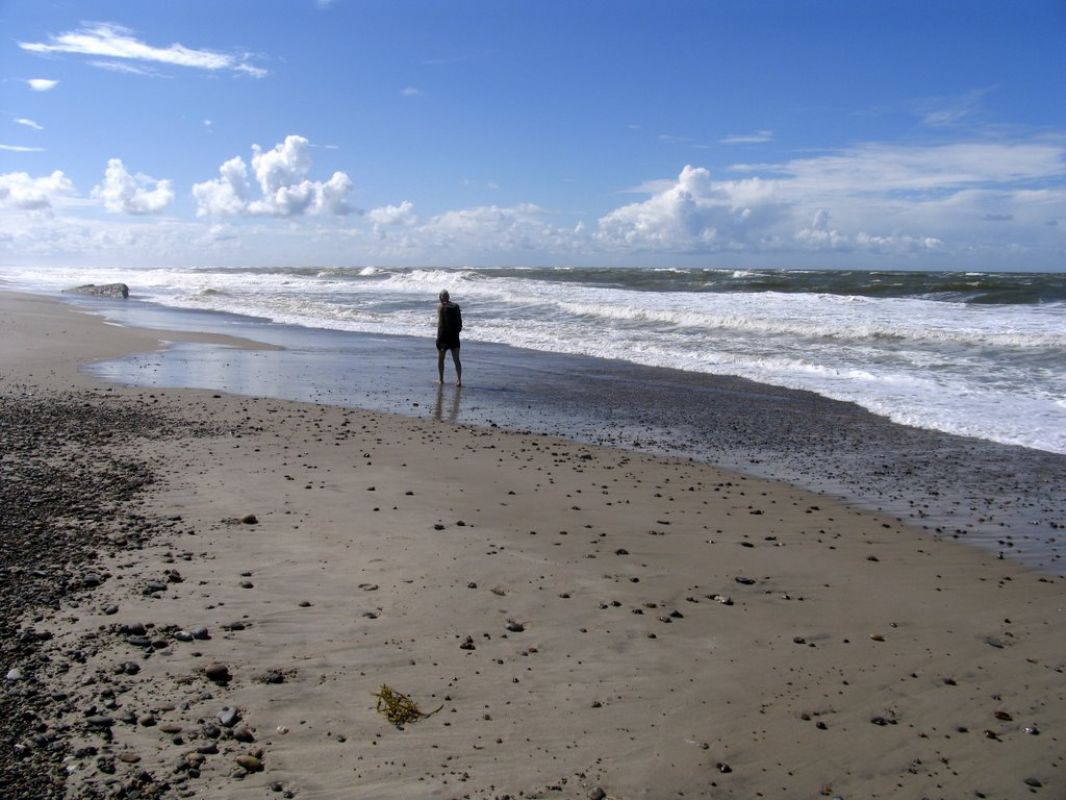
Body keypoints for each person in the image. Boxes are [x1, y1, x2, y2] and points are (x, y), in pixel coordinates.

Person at [436, 289, 462, 386]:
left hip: (443, 337)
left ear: (440, 298)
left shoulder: (439, 306)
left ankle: (441, 379)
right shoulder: (456, 306)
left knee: (441, 359)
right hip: (454, 337)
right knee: (456, 359)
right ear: (449, 297)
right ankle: (459, 380)